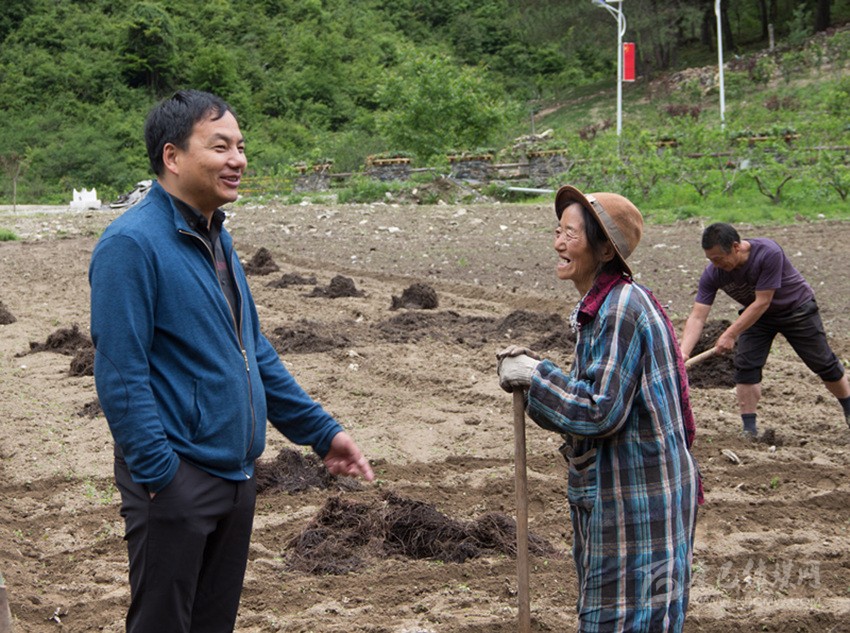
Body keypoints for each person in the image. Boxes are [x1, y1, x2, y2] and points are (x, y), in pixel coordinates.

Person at [89, 90, 374, 633]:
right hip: (177, 479)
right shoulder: (130, 245)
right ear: (173, 157)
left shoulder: (217, 237)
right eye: (220, 147)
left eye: (240, 147)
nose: (238, 160)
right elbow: (120, 373)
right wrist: (162, 477)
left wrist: (322, 433)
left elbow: (252, 351)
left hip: (237, 476)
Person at [497, 185, 701, 633]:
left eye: (570, 234)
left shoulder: (620, 309)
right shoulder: (603, 306)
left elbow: (598, 412)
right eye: (557, 231)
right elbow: (587, 400)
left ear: (605, 250)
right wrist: (534, 380)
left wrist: (536, 376)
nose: (558, 243)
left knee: (623, 619)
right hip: (627, 489)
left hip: (638, 496)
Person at [679, 222, 850, 437]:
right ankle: (749, 431)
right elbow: (697, 316)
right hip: (758, 318)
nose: (715, 264)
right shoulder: (713, 273)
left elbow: (763, 301)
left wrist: (730, 334)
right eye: (710, 259)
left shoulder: (768, 252)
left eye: (718, 259)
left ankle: (848, 407)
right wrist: (683, 354)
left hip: (795, 309)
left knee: (823, 363)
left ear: (736, 247)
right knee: (746, 366)